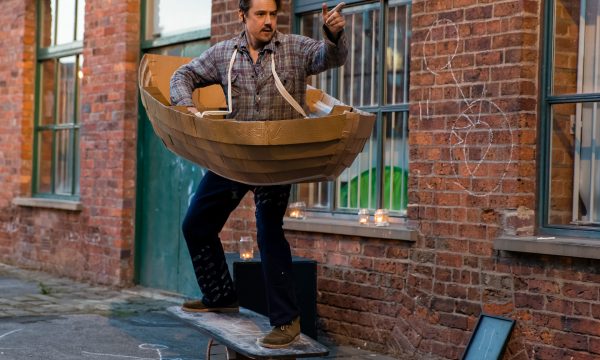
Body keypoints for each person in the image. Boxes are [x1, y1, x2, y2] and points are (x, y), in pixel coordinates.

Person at [169, 0, 347, 349]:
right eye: (260, 14)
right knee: (196, 224)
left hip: (276, 161)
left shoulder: (295, 48)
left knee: (268, 231)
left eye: (272, 14)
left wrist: (333, 35)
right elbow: (183, 75)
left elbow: (330, 58)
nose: (268, 22)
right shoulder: (223, 54)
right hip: (234, 157)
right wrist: (185, 105)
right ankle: (219, 293)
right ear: (243, 16)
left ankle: (286, 321)